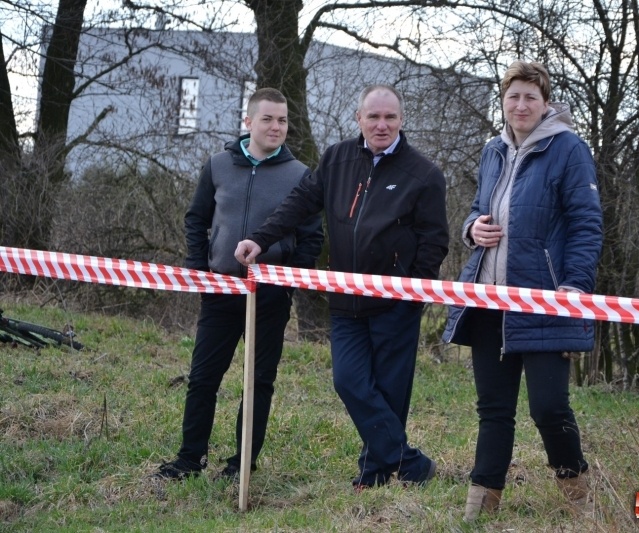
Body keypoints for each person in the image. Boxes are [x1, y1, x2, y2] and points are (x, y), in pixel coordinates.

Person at [235, 84, 449, 490]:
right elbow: (299, 204)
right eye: (374, 117)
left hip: (395, 304)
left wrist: (411, 294)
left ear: (401, 120)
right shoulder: (336, 159)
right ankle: (410, 463)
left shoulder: (424, 174)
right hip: (345, 301)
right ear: (359, 119)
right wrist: (260, 239)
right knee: (349, 381)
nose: (381, 125)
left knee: (389, 392)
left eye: (390, 117)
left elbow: (434, 242)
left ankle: (373, 474)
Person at [442, 61, 603, 519]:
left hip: (545, 300)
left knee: (549, 407)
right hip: (489, 299)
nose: (521, 104)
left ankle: (579, 499)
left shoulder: (569, 149)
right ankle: (481, 505)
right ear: (504, 100)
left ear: (545, 103)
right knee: (493, 408)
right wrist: (473, 229)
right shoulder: (493, 150)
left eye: (530, 96)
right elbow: (476, 209)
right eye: (513, 96)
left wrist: (574, 285)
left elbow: (586, 223)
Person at [153, 87, 323, 481]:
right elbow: (197, 219)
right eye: (267, 119)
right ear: (248, 122)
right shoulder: (217, 165)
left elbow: (311, 235)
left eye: (282, 120)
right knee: (203, 377)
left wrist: (289, 281)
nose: (276, 127)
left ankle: (243, 462)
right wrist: (198, 269)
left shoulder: (301, 175)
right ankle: (188, 459)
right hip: (220, 290)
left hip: (270, 294)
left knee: (258, 380)